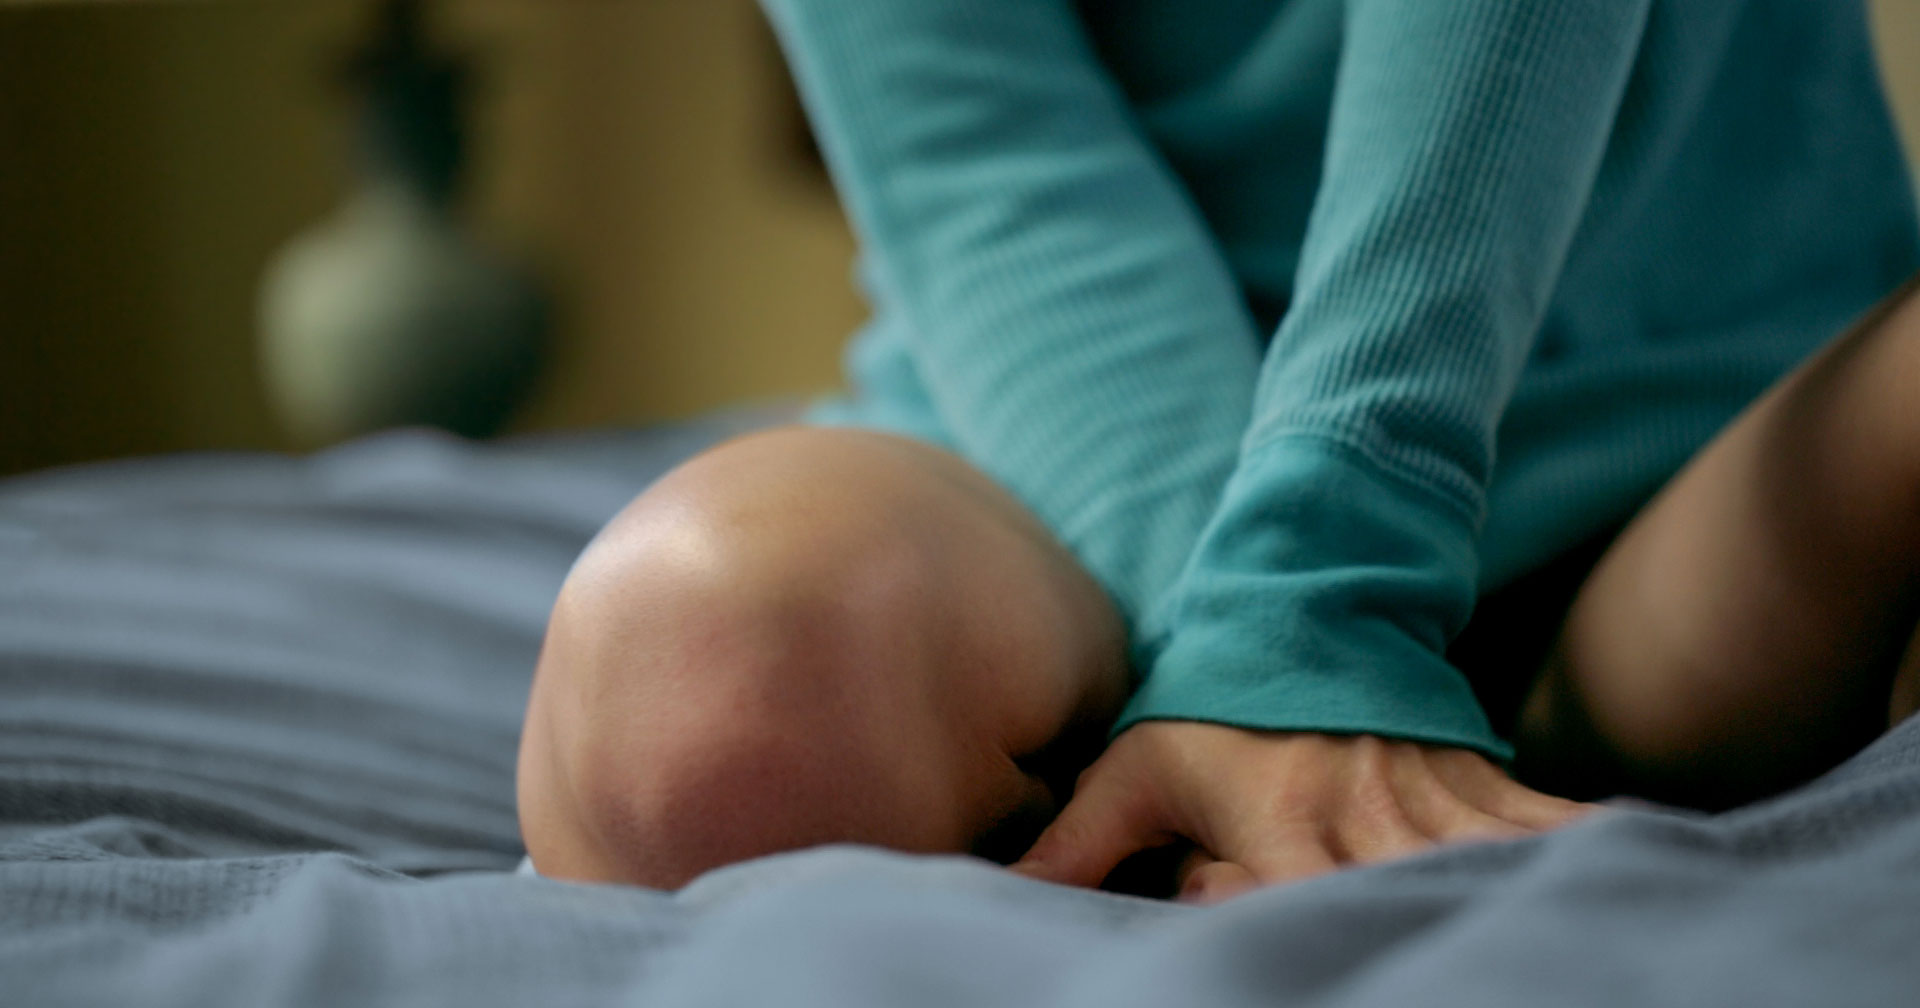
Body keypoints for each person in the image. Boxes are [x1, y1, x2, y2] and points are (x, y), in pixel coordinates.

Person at [515, 0, 1920, 902]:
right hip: (1066, 478)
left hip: (1694, 471)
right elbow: (985, 157)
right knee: (701, 691)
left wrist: (1316, 588)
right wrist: (1247, 665)